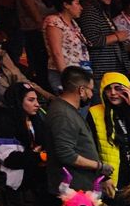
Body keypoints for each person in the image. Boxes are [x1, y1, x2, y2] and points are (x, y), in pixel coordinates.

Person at [43, 66, 105, 197]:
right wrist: (99, 166)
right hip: (72, 193)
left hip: (79, 188)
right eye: (90, 90)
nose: (91, 95)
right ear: (81, 90)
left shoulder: (67, 110)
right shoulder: (62, 114)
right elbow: (66, 154)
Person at [87, 72, 130, 191]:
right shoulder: (94, 113)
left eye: (118, 88)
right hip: (112, 176)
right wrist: (104, 177)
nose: (112, 93)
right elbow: (91, 148)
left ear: (128, 91)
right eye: (108, 89)